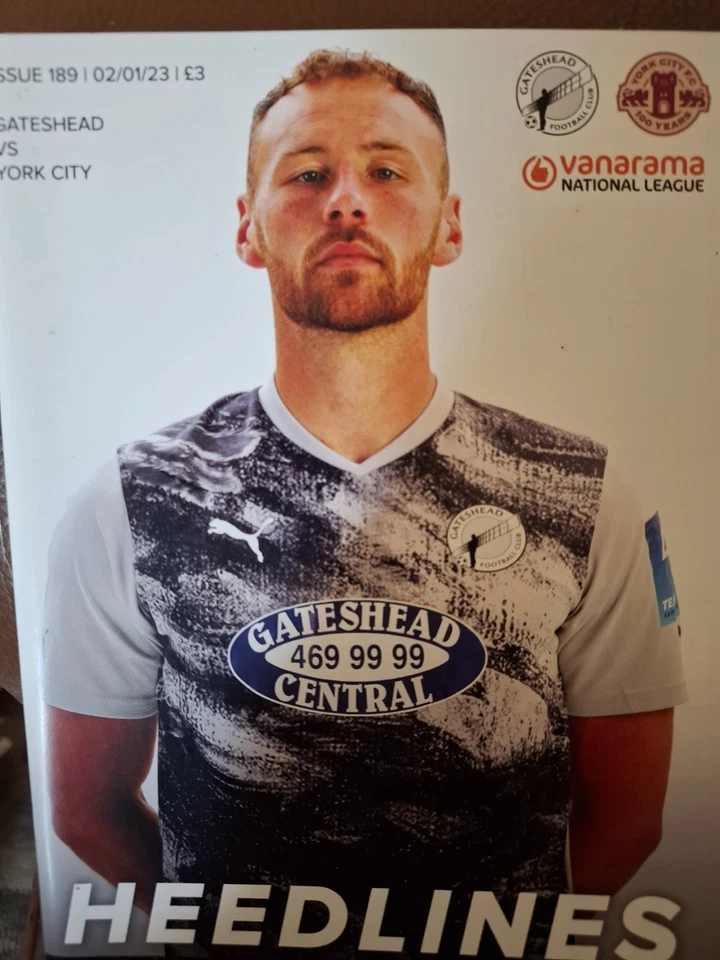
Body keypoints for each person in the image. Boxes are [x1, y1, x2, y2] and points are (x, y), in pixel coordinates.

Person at [42, 49, 688, 959]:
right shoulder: (133, 501)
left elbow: (628, 818)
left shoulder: (585, 495)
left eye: (387, 172)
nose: (346, 199)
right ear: (248, 228)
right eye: (307, 174)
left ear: (448, 225)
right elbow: (85, 808)